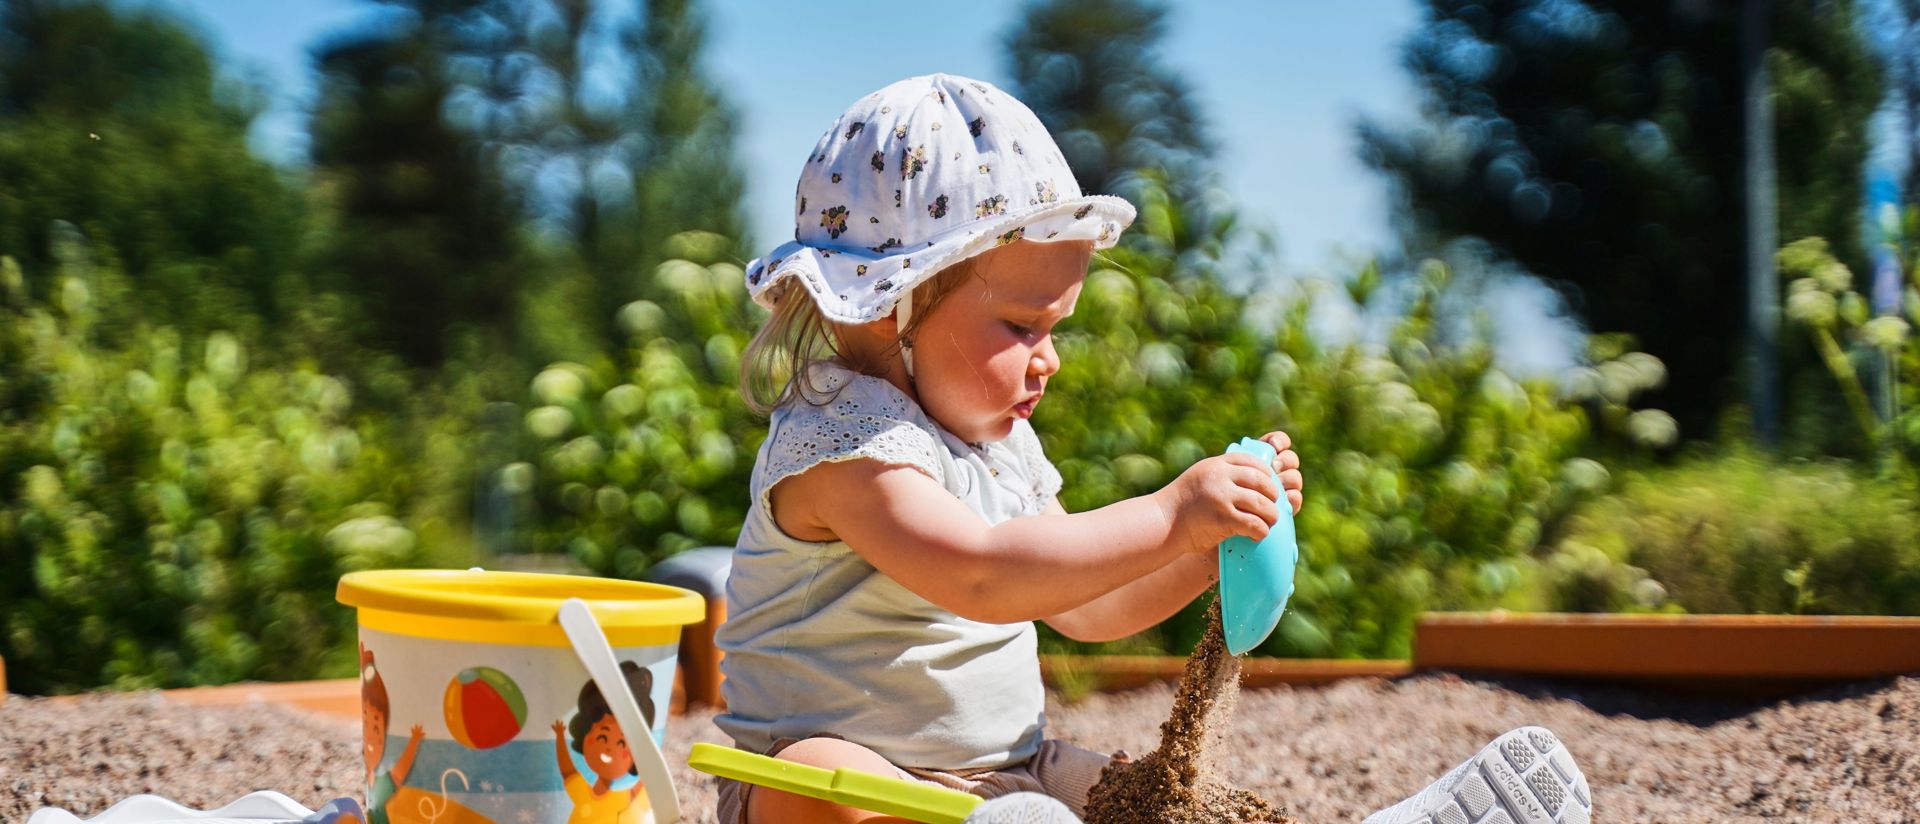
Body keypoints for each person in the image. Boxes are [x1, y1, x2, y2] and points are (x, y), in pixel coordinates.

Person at [713, 73, 1590, 824]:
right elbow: (982, 575)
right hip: (834, 779)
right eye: (1020, 326)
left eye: (1057, 327)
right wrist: (1169, 512)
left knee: (1157, 797)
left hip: (1007, 785)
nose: (1048, 358)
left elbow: (1086, 607)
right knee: (826, 784)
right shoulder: (839, 444)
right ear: (884, 306)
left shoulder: (996, 447)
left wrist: (1203, 548)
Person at [553, 661, 657, 824]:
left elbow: (647, 780)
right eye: (602, 737)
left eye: (622, 743)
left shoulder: (627, 796)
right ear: (585, 735)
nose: (610, 748)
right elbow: (567, 769)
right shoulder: (584, 795)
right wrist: (559, 737)